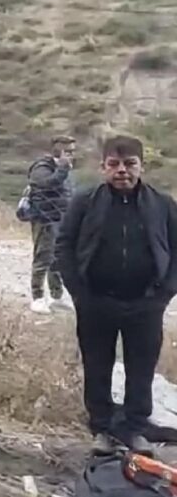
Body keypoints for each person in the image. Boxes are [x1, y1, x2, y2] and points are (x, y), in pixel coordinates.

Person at [55, 135, 177, 455]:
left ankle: (135, 429)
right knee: (97, 367)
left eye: (129, 164)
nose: (122, 170)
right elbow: (64, 246)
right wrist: (80, 293)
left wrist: (163, 294)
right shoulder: (84, 202)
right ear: (103, 167)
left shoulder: (163, 204)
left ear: (141, 166)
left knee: (141, 369)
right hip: (96, 301)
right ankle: (103, 430)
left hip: (145, 303)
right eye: (114, 164)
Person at [26, 135, 77, 314]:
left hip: (61, 219)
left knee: (57, 260)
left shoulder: (64, 169)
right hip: (44, 220)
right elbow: (46, 185)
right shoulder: (41, 167)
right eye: (68, 151)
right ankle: (37, 298)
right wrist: (62, 169)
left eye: (73, 151)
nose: (71, 155)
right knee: (43, 258)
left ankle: (57, 297)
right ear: (57, 150)